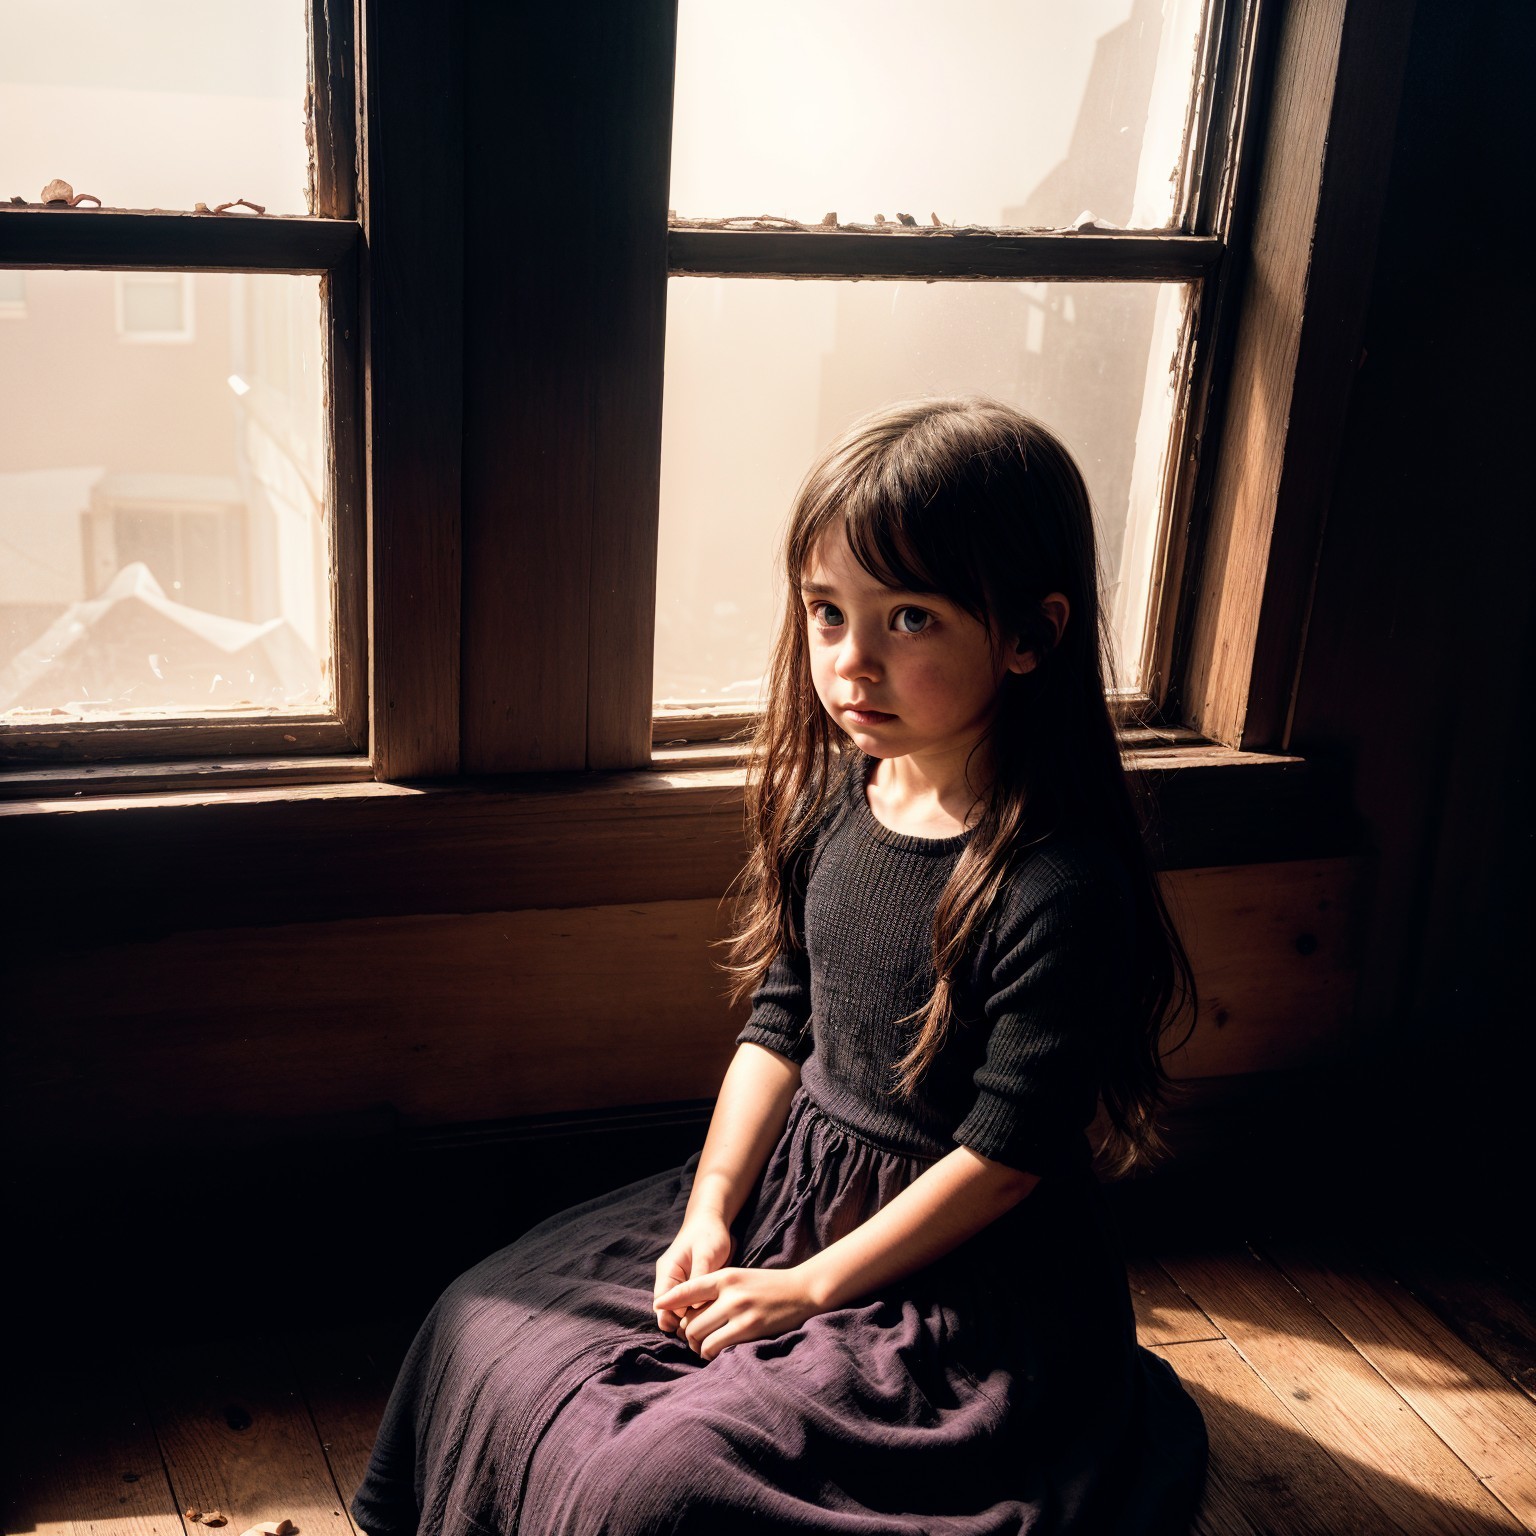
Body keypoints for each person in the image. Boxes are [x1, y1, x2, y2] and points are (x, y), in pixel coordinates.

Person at [351, 396, 1210, 1534]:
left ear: (1029, 635)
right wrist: (713, 1206)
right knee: (481, 1320)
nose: (851, 661)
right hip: (795, 1194)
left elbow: (1007, 1160)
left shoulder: (1058, 886)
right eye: (826, 613)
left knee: (657, 1484)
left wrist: (808, 1289)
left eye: (908, 618)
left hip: (964, 1274)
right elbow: (781, 1022)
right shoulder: (832, 805)